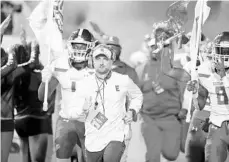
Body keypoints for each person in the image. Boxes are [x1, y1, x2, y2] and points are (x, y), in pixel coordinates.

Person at [136, 20, 208, 162]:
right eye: (153, 46)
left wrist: (184, 110)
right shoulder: (141, 68)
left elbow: (184, 91)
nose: (155, 49)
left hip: (172, 118)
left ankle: (166, 142)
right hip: (149, 119)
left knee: (172, 154)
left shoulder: (177, 66)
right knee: (153, 154)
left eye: (160, 45)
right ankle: (155, 143)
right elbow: (133, 93)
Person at [68, 44, 143, 162]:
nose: (101, 62)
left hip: (117, 135)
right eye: (98, 59)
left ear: (111, 62)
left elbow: (137, 96)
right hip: (93, 138)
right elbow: (71, 111)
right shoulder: (84, 84)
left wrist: (132, 110)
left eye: (105, 59)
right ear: (92, 62)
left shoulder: (123, 80)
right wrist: (81, 110)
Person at [38, 28, 96, 162]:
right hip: (66, 121)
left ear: (90, 47)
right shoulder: (60, 65)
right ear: (70, 45)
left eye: (83, 45)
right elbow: (43, 97)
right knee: (61, 159)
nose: (79, 49)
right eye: (76, 45)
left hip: (90, 121)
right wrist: (44, 81)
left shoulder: (98, 67)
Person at [14, 40, 54, 162]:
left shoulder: (15, 73)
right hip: (36, 119)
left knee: (25, 158)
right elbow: (46, 97)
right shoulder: (39, 73)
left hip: (19, 121)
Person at [103, 35, 139, 162]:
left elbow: (136, 98)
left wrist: (132, 113)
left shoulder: (129, 71)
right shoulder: (93, 69)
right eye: (108, 47)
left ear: (120, 50)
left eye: (114, 47)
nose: (111, 50)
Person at [1, 42, 38, 162]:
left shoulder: (11, 73)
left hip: (8, 121)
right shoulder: (12, 73)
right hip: (7, 121)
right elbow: (32, 63)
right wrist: (34, 46)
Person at [199, 31, 229, 162]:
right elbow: (199, 104)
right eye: (219, 50)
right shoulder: (206, 69)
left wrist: (223, 76)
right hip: (217, 125)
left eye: (226, 51)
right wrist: (195, 92)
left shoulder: (220, 72)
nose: (222, 55)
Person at [184, 41, 213, 162]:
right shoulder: (199, 68)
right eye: (207, 53)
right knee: (193, 155)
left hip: (221, 120)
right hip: (201, 115)